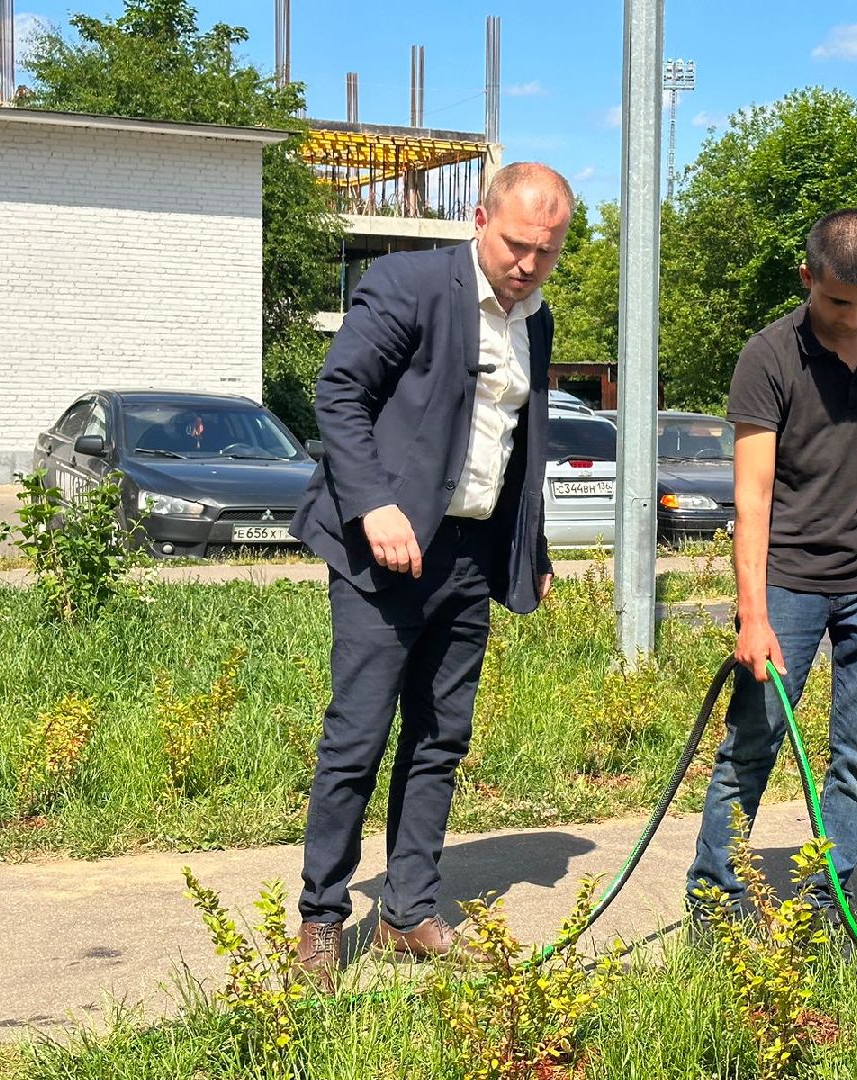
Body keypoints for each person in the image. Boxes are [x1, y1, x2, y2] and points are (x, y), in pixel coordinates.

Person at [289, 162, 575, 992]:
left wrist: (535, 547)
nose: (528, 265)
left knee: (440, 739)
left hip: (467, 558)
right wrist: (374, 505)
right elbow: (339, 393)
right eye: (518, 245)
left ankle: (409, 913)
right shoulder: (408, 283)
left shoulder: (536, 319)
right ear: (481, 219)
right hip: (383, 555)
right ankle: (320, 919)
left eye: (546, 252)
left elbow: (516, 442)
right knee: (359, 736)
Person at [685, 208, 857, 924]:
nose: (855, 318)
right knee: (753, 743)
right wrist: (754, 613)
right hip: (789, 583)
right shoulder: (767, 357)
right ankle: (715, 899)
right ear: (808, 278)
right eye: (838, 302)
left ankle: (827, 903)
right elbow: (753, 493)